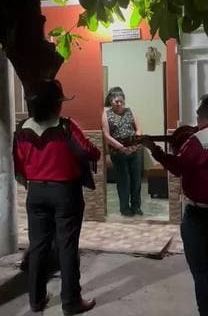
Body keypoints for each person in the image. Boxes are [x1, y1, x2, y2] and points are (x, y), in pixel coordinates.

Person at [141, 93, 208, 316]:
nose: (196, 119)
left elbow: (177, 166)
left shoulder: (198, 142)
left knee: (201, 269)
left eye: (199, 115)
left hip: (199, 214)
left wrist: (154, 148)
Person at [13, 79, 100, 315]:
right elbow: (91, 151)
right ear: (55, 105)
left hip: (36, 193)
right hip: (65, 194)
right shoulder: (66, 127)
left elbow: (19, 164)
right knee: (67, 246)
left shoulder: (21, 129)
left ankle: (36, 299)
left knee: (38, 246)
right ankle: (71, 302)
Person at [102, 87, 143, 216]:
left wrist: (135, 142)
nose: (119, 104)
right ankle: (125, 208)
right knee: (124, 181)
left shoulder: (130, 111)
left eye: (121, 101)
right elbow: (107, 135)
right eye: (116, 101)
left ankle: (136, 206)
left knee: (136, 180)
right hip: (118, 152)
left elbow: (138, 129)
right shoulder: (106, 114)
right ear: (110, 101)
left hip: (134, 150)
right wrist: (121, 147)